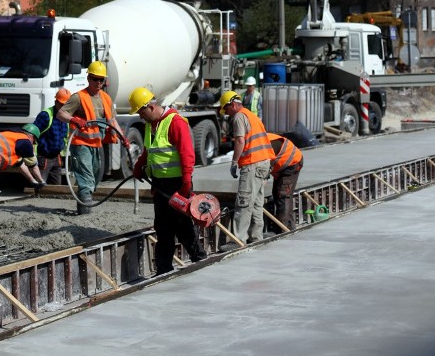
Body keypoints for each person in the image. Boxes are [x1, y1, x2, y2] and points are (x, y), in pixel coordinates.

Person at [129, 86, 207, 275]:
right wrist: (140, 165)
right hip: (160, 185)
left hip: (177, 184)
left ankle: (200, 258)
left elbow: (187, 154)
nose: (140, 116)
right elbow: (150, 150)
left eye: (141, 111)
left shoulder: (175, 122)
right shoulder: (150, 125)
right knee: (163, 229)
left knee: (182, 226)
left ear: (150, 107)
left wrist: (186, 183)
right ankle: (163, 269)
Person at [57, 61, 129, 214]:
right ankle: (84, 212)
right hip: (81, 144)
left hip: (97, 144)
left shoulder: (106, 99)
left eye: (101, 79)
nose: (98, 82)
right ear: (88, 78)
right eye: (95, 78)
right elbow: (61, 114)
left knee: (95, 177)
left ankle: (84, 203)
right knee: (86, 177)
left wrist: (123, 138)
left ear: (105, 81)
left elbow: (112, 121)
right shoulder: (79, 97)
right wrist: (75, 120)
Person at [219, 89, 274, 245]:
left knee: (243, 202)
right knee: (256, 202)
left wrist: (234, 162)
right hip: (264, 162)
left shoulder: (239, 117)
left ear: (233, 104)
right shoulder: (252, 115)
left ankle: (238, 239)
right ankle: (256, 237)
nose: (227, 113)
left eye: (227, 108)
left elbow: (240, 141)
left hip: (252, 164)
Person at [0, 131, 44, 201]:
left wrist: (33, 181)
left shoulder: (13, 137)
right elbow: (33, 166)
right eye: (34, 142)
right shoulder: (26, 142)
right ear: (31, 136)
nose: (33, 144)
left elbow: (20, 165)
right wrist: (41, 182)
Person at [24, 87, 71, 185]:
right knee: (40, 185)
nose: (63, 107)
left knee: (56, 188)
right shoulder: (46, 115)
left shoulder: (66, 117)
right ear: (56, 102)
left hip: (57, 158)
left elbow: (65, 137)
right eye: (61, 104)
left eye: (65, 105)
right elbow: (32, 134)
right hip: (44, 157)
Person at [266, 131, 303, 232]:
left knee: (283, 195)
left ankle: (282, 229)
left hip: (292, 163)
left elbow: (265, 167)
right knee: (279, 193)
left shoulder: (265, 145)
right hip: (285, 164)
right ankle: (289, 226)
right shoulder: (261, 140)